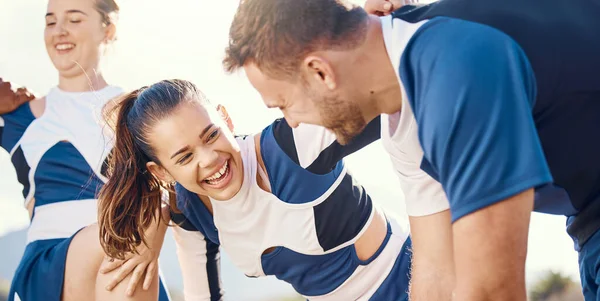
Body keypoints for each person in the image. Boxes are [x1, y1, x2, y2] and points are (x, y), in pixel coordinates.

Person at [223, 0, 600, 300]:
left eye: (284, 105)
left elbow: (491, 291)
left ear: (321, 72)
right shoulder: (403, 122)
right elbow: (436, 272)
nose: (290, 123)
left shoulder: (452, 68)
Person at [98, 79, 413, 300]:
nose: (209, 159)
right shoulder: (191, 212)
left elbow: (399, 92)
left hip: (414, 281)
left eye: (211, 135)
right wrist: (155, 227)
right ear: (162, 172)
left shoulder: (291, 148)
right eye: (185, 156)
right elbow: (201, 296)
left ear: (226, 119)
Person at [0, 0, 171, 300]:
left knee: (122, 246)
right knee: (115, 241)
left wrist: (152, 240)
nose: (59, 31)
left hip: (131, 258)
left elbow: (173, 188)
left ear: (108, 30)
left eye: (74, 20)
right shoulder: (20, 118)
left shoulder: (138, 111)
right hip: (49, 269)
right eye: (51, 22)